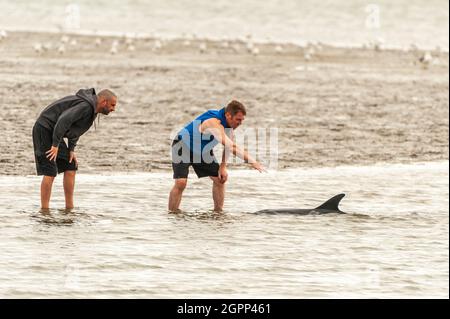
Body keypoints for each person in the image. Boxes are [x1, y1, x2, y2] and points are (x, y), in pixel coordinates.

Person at [168, 100, 265, 212]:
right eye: (238, 119)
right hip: (182, 146)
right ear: (228, 115)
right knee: (181, 183)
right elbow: (232, 147)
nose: (240, 123)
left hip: (202, 151)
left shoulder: (229, 127)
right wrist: (253, 162)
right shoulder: (213, 122)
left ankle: (218, 213)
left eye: (242, 120)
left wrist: (223, 167)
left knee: (220, 179)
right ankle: (172, 214)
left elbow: (228, 147)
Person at [32, 88, 117, 209]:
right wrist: (55, 145)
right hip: (44, 129)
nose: (113, 109)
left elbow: (75, 129)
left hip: (55, 132)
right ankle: (45, 210)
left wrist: (71, 149)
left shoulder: (93, 110)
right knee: (50, 171)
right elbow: (63, 121)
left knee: (70, 165)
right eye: (112, 105)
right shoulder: (86, 106)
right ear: (104, 102)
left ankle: (69, 208)